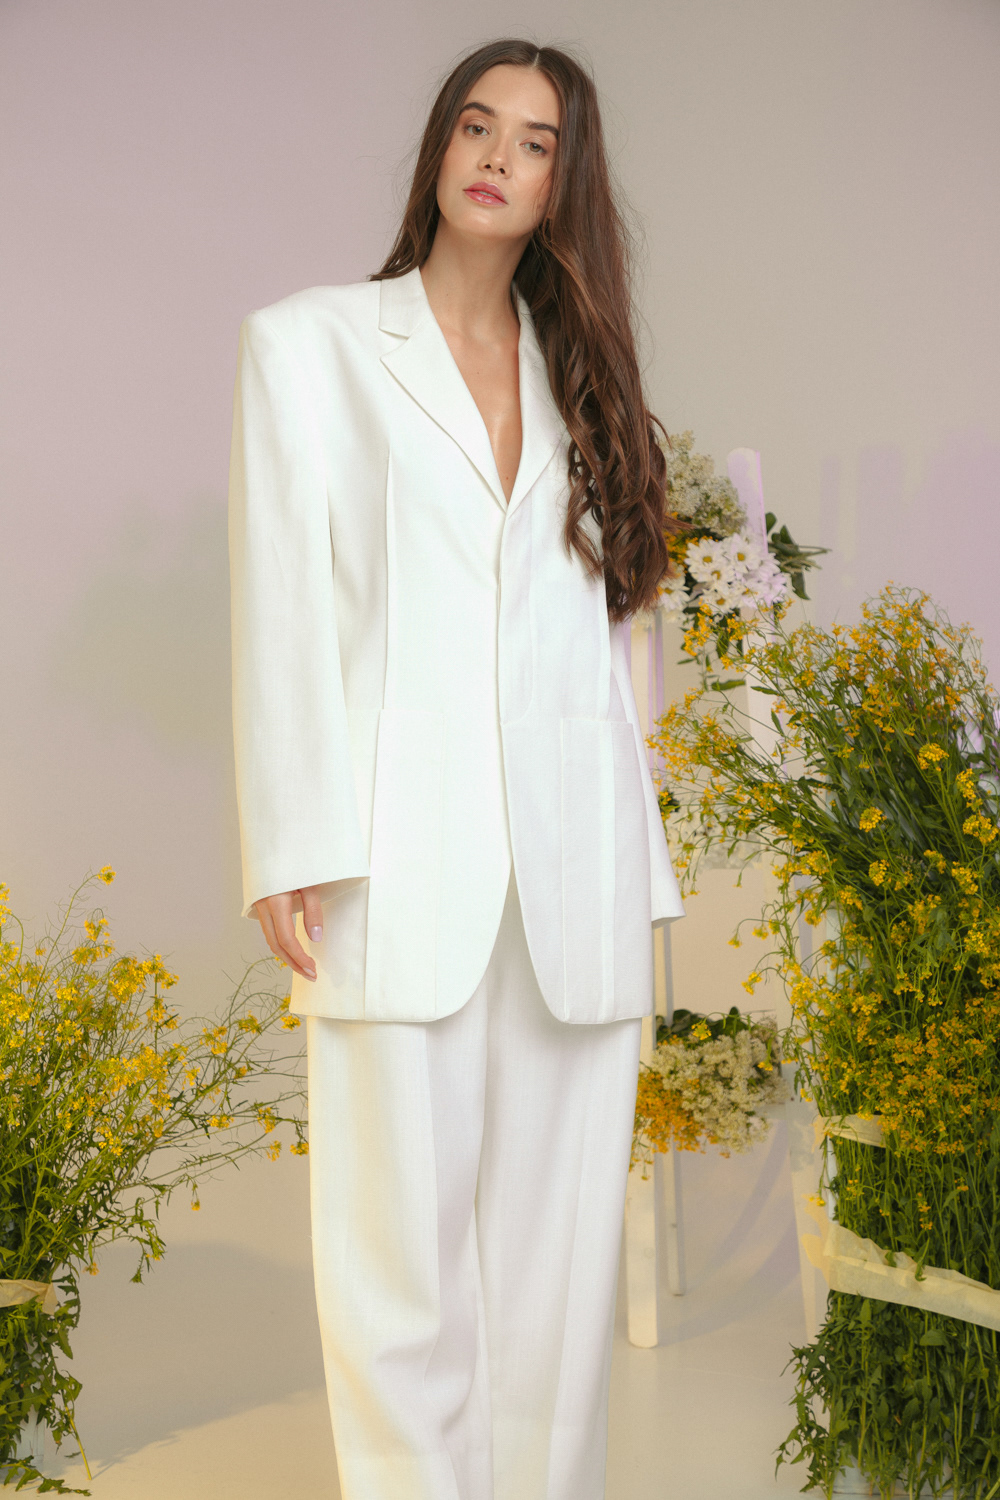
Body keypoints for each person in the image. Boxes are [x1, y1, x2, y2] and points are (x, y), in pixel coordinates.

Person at [228, 36, 683, 1500]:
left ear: (563, 184)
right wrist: (288, 841)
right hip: (392, 862)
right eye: (477, 125)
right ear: (439, 147)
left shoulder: (585, 378)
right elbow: (285, 603)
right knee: (397, 1284)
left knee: (558, 1280)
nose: (497, 156)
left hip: (573, 875)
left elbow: (608, 647)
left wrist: (638, 859)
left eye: (535, 142)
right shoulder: (309, 346)